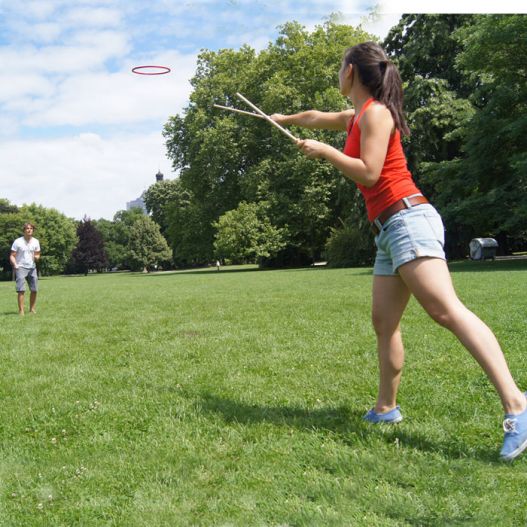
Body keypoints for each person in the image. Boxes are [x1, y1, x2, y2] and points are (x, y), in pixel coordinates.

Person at [271, 41, 527, 461]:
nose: (337, 74)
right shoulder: (357, 115)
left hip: (408, 219)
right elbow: (316, 117)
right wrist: (280, 118)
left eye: (339, 67)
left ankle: (517, 403)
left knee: (446, 310)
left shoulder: (376, 114)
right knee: (384, 322)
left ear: (350, 70)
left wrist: (328, 153)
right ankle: (386, 409)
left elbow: (370, 174)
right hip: (389, 229)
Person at [10, 222, 41, 315]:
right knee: (21, 289)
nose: (29, 230)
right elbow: (12, 255)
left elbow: (37, 254)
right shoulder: (17, 241)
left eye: (31, 228)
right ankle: (21, 311)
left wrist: (37, 257)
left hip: (32, 267)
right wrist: (15, 264)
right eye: (27, 228)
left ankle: (32, 309)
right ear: (24, 230)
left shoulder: (36, 241)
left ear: (33, 230)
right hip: (20, 267)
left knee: (34, 290)